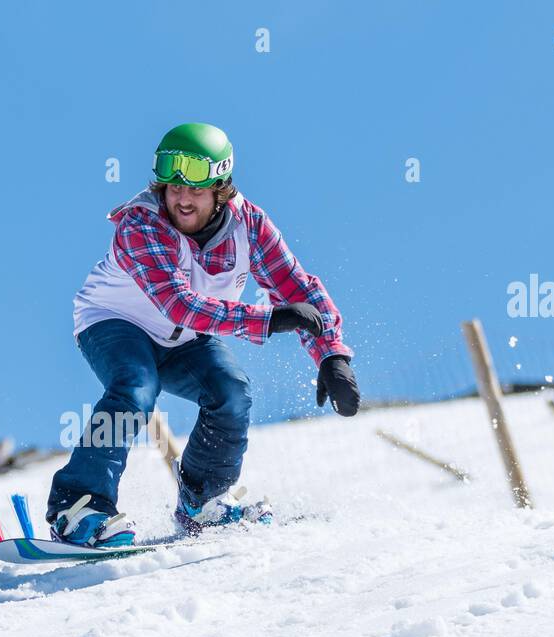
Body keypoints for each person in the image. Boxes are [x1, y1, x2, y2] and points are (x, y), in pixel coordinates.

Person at [47, 122, 359, 547]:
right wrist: (268, 321)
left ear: (221, 187)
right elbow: (179, 303)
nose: (181, 198)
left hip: (188, 336)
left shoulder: (249, 226)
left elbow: (296, 287)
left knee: (231, 392)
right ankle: (78, 505)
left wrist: (331, 355)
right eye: (172, 186)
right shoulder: (143, 224)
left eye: (194, 188)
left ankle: (203, 503)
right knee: (137, 386)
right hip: (115, 321)